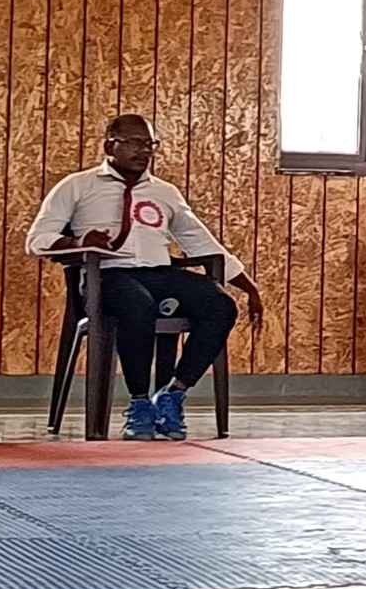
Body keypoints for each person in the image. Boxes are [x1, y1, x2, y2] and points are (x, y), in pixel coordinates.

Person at [26, 116, 265, 441]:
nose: (145, 151)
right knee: (137, 303)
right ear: (109, 145)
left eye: (150, 144)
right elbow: (37, 240)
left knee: (219, 304)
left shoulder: (165, 192)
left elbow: (202, 243)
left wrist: (249, 289)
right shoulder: (77, 186)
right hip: (107, 277)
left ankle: (173, 394)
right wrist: (79, 242)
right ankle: (139, 404)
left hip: (159, 273)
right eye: (135, 143)